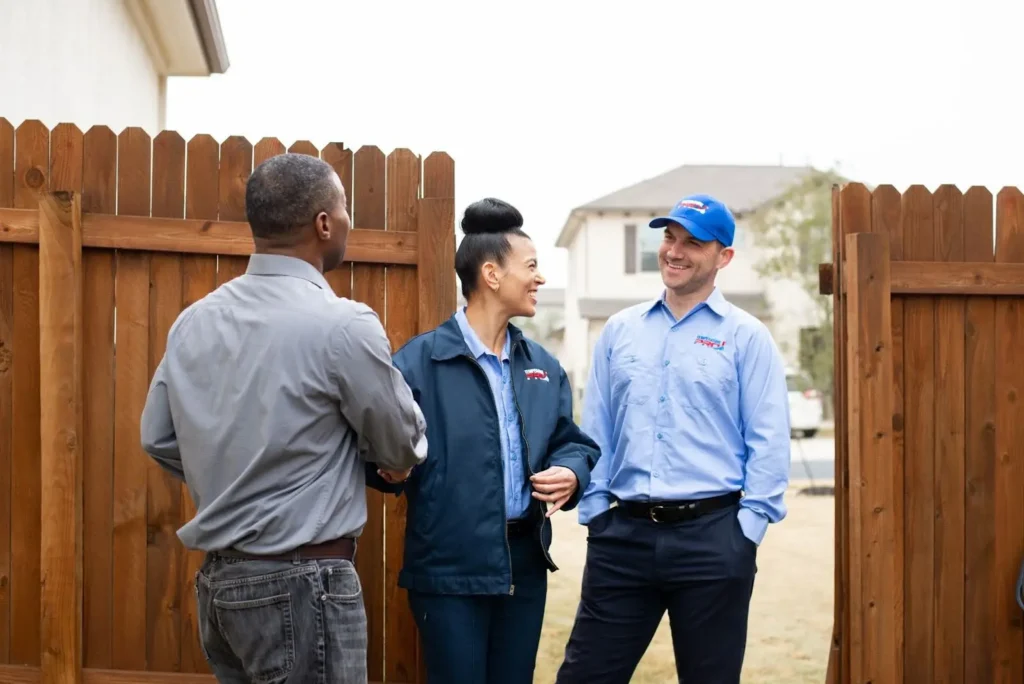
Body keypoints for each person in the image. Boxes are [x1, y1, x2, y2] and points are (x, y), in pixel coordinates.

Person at [140, 152, 427, 684]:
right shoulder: (342, 324)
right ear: (323, 223)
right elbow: (401, 446)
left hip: (220, 588)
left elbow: (157, 437)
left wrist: (230, 470)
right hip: (305, 585)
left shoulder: (194, 321)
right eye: (343, 210)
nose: (348, 222)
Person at [555, 194, 791, 684]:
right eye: (669, 237)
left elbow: (768, 442)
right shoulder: (620, 332)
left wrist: (745, 533)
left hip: (713, 541)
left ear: (723, 256)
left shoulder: (746, 337)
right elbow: (596, 429)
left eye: (693, 243)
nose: (674, 251)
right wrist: (597, 512)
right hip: (622, 540)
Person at [365, 198, 601, 684]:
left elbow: (570, 441)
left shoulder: (543, 366)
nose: (540, 279)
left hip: (526, 566)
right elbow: (377, 455)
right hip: (449, 570)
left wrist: (572, 471)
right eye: (531, 267)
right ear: (492, 275)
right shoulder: (417, 364)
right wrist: (388, 469)